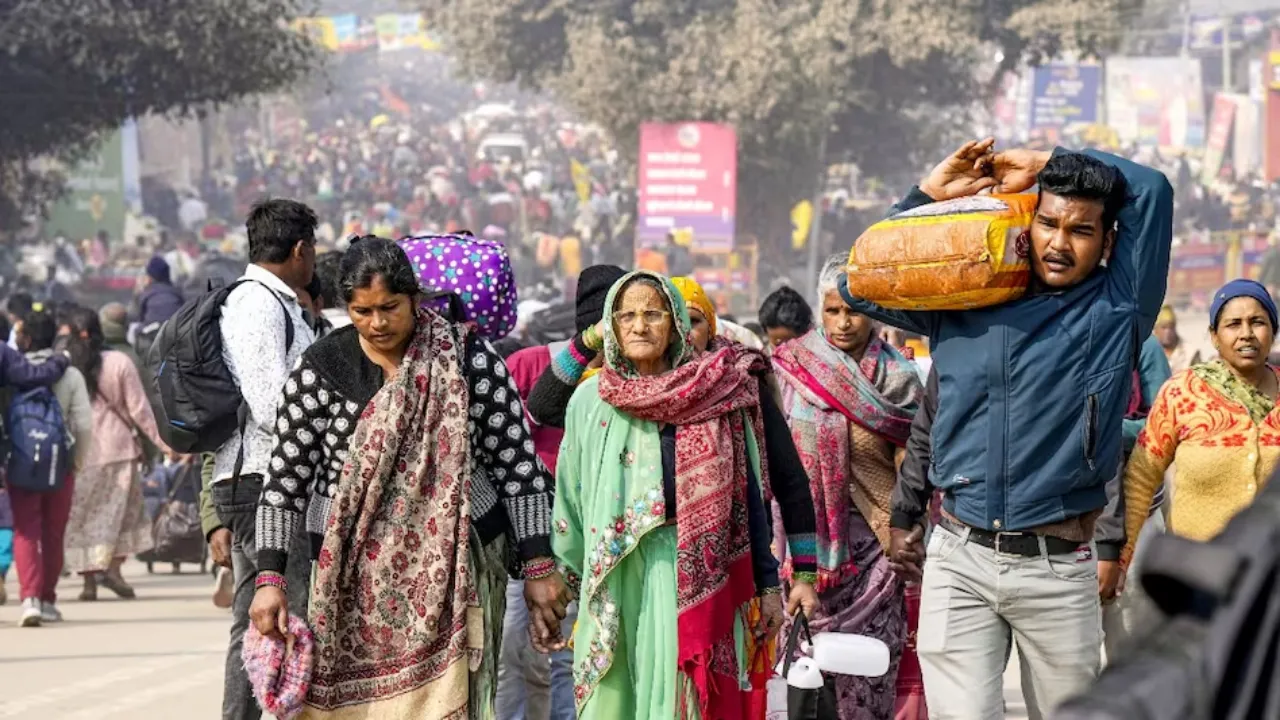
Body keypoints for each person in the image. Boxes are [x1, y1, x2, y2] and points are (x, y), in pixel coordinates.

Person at [864, 139, 1174, 719]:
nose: (1060, 242)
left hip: (1058, 568)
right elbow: (865, 282)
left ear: (1108, 242)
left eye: (1081, 231)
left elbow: (1152, 190)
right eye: (1049, 223)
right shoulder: (965, 297)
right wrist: (926, 198)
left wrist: (1046, 162)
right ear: (1027, 224)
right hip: (960, 558)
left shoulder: (1118, 308)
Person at [248, 237, 564, 717]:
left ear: (415, 298)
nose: (377, 323)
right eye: (362, 311)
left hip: (462, 566)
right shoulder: (321, 370)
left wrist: (539, 566)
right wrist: (269, 578)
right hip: (347, 574)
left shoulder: (467, 360)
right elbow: (285, 480)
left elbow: (518, 466)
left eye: (390, 307)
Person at [552, 271, 816, 719]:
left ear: (674, 323)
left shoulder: (720, 392)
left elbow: (752, 500)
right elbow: (570, 499)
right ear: (611, 326)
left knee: (684, 702)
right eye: (626, 315)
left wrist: (772, 584)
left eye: (653, 314)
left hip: (694, 572)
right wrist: (563, 584)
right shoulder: (590, 401)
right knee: (616, 699)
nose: (639, 326)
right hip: (617, 576)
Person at [770, 256, 923, 719]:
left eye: (853, 310)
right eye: (832, 310)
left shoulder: (899, 378)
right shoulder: (790, 368)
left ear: (874, 311)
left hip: (877, 552)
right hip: (806, 553)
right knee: (808, 679)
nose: (842, 322)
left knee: (869, 676)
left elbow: (915, 461)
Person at [496, 264, 625, 720]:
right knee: (516, 653)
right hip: (530, 544)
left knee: (577, 657)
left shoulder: (635, 380)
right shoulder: (528, 367)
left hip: (599, 542)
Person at [207, 198, 318, 720]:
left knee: (259, 617)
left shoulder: (279, 302)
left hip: (263, 475)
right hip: (264, 479)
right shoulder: (257, 303)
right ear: (300, 250)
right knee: (281, 614)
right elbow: (270, 401)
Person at [1121, 279, 1280, 587]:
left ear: (1272, 332)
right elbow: (1142, 478)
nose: (1246, 333)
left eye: (1257, 322)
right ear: (1214, 337)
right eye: (1233, 324)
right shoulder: (1183, 393)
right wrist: (1123, 558)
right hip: (1195, 580)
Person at [61, 306, 171, 601]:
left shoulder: (65, 367)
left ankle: (88, 581)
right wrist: (164, 444)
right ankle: (113, 571)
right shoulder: (119, 362)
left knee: (81, 518)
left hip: (79, 455)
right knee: (120, 516)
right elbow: (139, 410)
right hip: (119, 451)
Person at [7, 308, 93, 626]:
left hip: (21, 461)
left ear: (25, 338)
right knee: (53, 533)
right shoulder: (70, 374)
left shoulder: (12, 370)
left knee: (25, 530)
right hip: (61, 462)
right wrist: (78, 461)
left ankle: (28, 597)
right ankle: (47, 599)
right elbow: (83, 424)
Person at [136, 256, 185, 328]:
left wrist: (138, 293)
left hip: (152, 332)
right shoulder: (176, 292)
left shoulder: (147, 293)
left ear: (150, 277)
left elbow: (139, 317)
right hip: (175, 331)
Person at [1152, 304, 1202, 374]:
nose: (1168, 332)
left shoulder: (1191, 353)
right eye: (1164, 328)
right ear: (1156, 330)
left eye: (1171, 327)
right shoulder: (1149, 352)